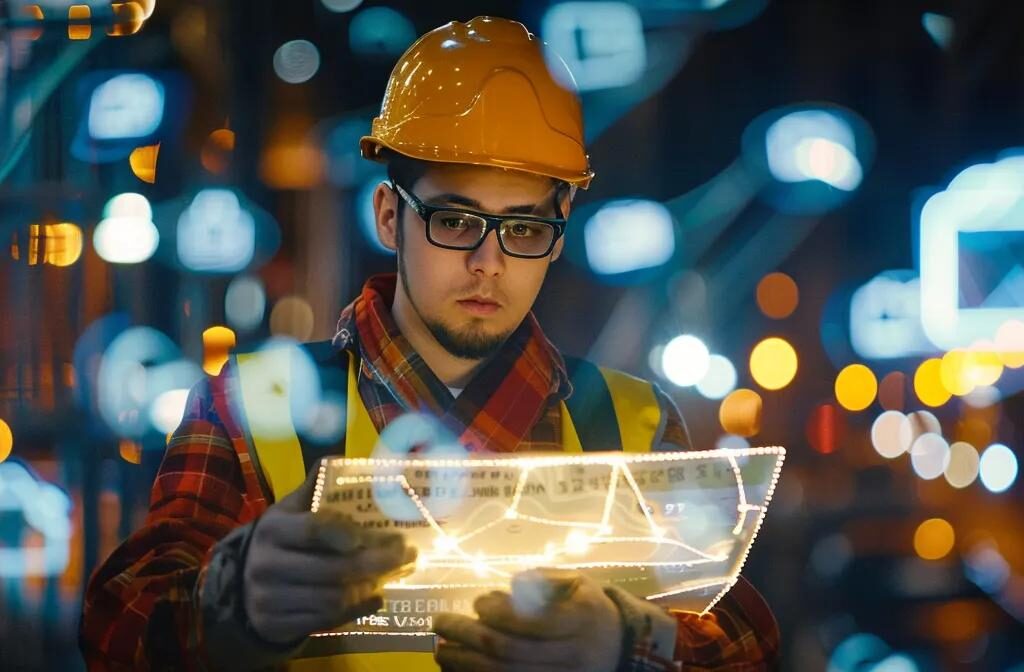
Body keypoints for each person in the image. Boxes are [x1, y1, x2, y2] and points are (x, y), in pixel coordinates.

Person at [80, 15, 780, 672]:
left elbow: (747, 642)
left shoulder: (635, 422)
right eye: (455, 218)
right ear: (391, 215)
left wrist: (629, 642)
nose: (489, 262)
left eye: (524, 229)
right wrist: (229, 601)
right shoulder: (253, 412)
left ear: (559, 228)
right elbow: (117, 630)